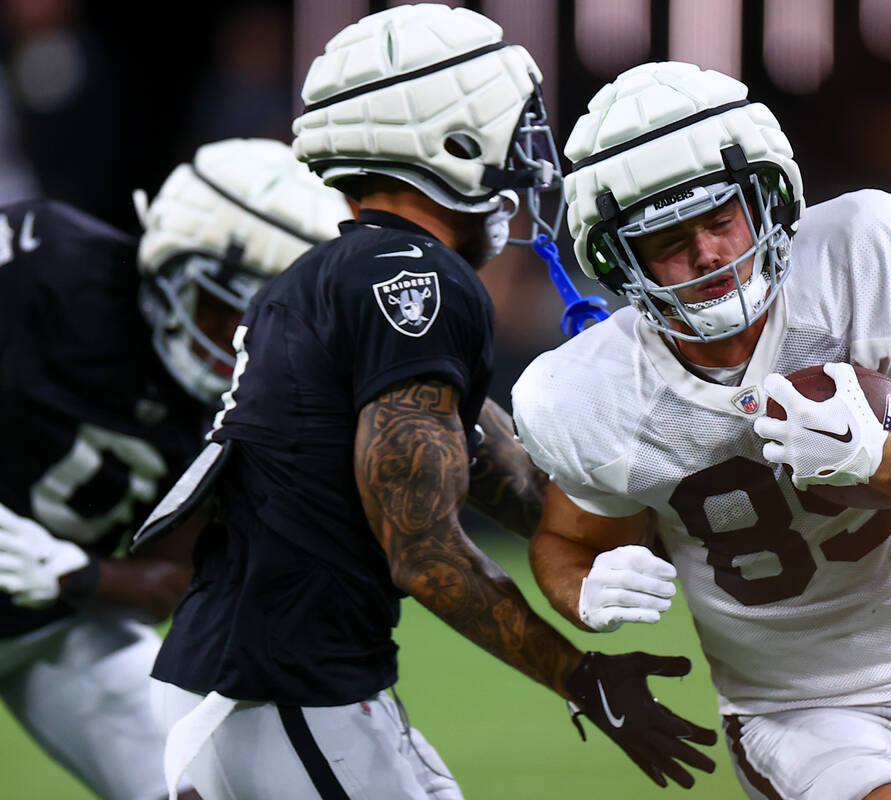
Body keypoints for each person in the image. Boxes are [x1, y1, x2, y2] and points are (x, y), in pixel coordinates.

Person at [144, 7, 716, 800]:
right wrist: (584, 681)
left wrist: (678, 534)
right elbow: (424, 551)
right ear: (448, 135)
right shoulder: (417, 280)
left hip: (269, 683)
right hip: (282, 690)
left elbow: (496, 470)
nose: (525, 157)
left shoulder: (343, 273)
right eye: (509, 124)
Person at [514, 62, 891, 800]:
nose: (709, 255)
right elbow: (565, 544)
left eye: (721, 219)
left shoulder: (856, 258)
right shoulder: (593, 392)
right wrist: (585, 590)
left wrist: (880, 457)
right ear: (617, 260)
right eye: (669, 240)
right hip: (803, 712)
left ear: (769, 199)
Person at [0, 136, 348, 800]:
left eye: (260, 326)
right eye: (220, 308)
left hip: (51, 619)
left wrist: (65, 568)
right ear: (167, 256)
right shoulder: (43, 264)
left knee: (207, 786)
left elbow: (173, 582)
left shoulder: (268, 412)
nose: (233, 346)